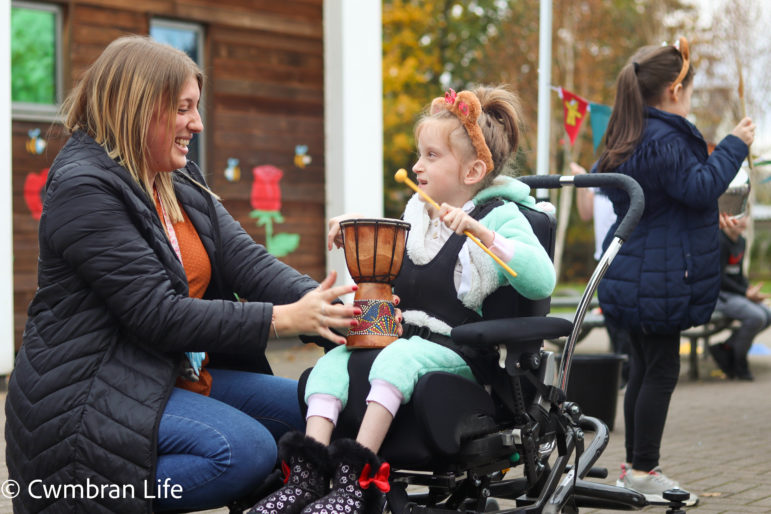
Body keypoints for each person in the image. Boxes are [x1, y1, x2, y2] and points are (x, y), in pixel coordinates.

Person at [4, 35, 362, 513]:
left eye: (196, 107)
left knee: (322, 408)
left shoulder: (177, 178)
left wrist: (341, 314)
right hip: (89, 395)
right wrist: (282, 320)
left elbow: (248, 262)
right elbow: (157, 314)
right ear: (138, 107)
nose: (196, 122)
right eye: (182, 109)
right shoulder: (83, 188)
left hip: (171, 376)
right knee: (243, 451)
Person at [248, 86, 556, 514]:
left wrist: (484, 236)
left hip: (464, 355)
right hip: (409, 343)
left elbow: (541, 282)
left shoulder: (503, 217)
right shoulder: (419, 213)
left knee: (398, 359)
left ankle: (357, 480)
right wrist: (352, 227)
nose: (417, 165)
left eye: (431, 155)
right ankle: (306, 474)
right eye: (420, 154)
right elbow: (390, 257)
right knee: (332, 364)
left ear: (473, 171)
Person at [593, 37, 754, 506]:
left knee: (643, 368)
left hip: (633, 270)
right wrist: (734, 144)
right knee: (661, 370)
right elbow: (700, 186)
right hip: (657, 279)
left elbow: (667, 202)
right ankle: (644, 470)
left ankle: (634, 467)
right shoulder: (666, 137)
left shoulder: (632, 132)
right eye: (688, 89)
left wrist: (705, 216)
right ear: (673, 89)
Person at [570, 161, 630, 385]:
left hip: (626, 252)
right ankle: (621, 371)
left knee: (626, 316)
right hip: (604, 255)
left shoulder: (628, 165)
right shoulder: (598, 168)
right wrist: (581, 182)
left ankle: (628, 371)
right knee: (612, 315)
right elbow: (586, 213)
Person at [709, 210, 771, 380]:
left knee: (768, 314)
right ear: (727, 218)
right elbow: (719, 277)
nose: (743, 221)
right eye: (739, 216)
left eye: (746, 216)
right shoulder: (719, 241)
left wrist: (749, 289)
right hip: (719, 295)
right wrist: (745, 293)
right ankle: (739, 362)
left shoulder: (741, 242)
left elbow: (737, 275)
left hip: (734, 294)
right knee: (756, 317)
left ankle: (727, 348)